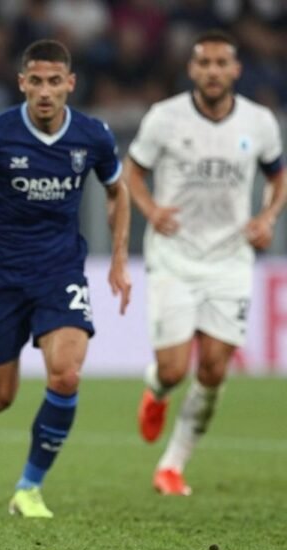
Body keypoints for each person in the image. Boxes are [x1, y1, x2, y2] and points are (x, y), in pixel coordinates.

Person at [0, 39, 132, 519]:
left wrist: (119, 260)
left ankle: (28, 488)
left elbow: (117, 192)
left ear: (70, 83)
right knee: (0, 398)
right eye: (36, 82)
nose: (45, 92)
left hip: (59, 270)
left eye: (54, 82)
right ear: (22, 83)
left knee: (65, 374)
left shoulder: (93, 136)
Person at [127, 30, 285, 496]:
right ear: (192, 69)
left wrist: (268, 217)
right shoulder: (165, 118)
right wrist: (152, 210)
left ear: (235, 70)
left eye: (221, 64)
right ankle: (156, 390)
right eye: (204, 63)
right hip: (174, 256)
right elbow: (134, 171)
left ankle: (172, 466)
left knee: (215, 370)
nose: (212, 71)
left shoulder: (259, 123)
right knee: (175, 369)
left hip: (231, 258)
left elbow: (278, 176)